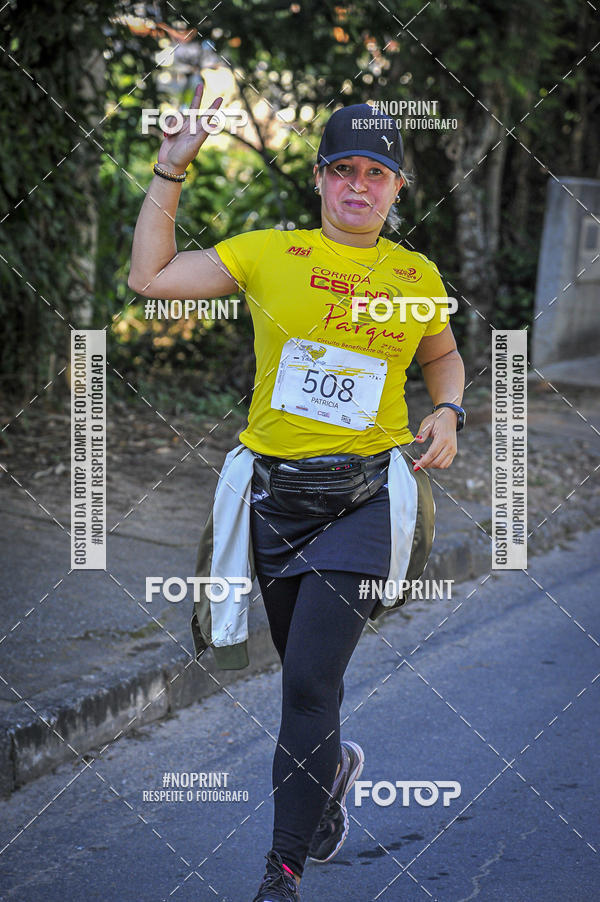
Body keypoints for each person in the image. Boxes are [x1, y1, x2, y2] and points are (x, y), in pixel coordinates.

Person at [128, 84, 465, 902]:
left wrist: (449, 410)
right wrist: (170, 169)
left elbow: (441, 357)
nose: (359, 185)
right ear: (318, 180)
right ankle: (332, 772)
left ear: (397, 189)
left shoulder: (416, 273)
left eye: (375, 173)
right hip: (274, 502)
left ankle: (279, 876)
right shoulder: (267, 255)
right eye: (343, 170)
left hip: (366, 502)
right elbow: (151, 278)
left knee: (309, 685)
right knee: (306, 682)